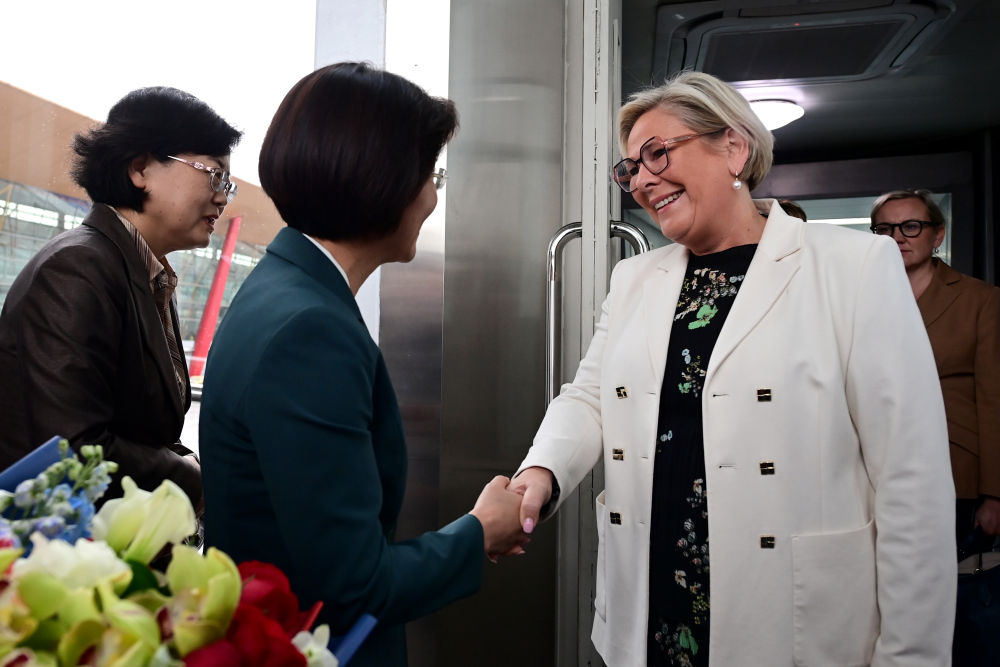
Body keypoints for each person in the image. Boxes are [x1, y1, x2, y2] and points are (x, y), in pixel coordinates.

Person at [510, 71, 956, 666]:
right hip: (656, 601)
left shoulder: (852, 266)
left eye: (657, 153)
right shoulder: (635, 277)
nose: (642, 180)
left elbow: (912, 477)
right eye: (630, 169)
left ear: (734, 149)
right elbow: (592, 395)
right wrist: (540, 472)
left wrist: (911, 655)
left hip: (791, 617)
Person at [198, 62, 527, 665]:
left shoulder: (281, 288)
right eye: (430, 175)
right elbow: (356, 583)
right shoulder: (311, 330)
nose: (432, 197)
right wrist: (480, 531)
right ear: (386, 180)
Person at [0, 87, 241, 509]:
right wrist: (195, 480)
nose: (222, 197)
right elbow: (73, 450)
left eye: (228, 184)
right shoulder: (78, 268)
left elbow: (145, 432)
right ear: (140, 169)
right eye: (213, 175)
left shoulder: (145, 273)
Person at [870, 189, 1000, 663]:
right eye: (885, 229)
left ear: (937, 235)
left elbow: (994, 397)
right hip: (879, 468)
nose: (898, 237)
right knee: (892, 598)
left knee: (953, 606)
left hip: (955, 468)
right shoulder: (863, 299)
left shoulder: (979, 299)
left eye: (911, 227)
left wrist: (995, 494)